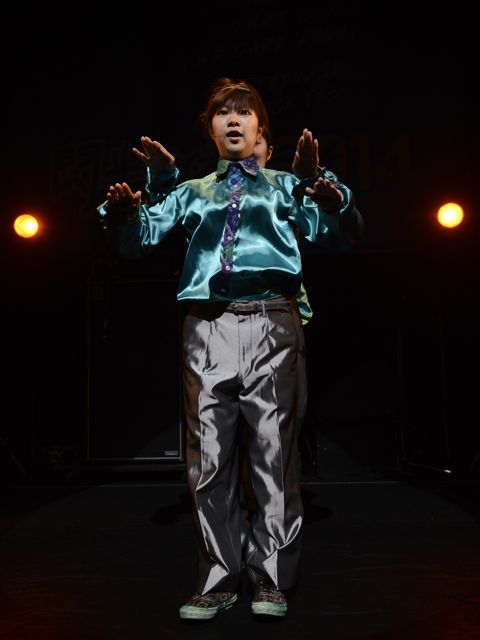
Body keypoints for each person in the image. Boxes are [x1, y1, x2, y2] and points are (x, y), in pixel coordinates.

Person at [98, 77, 364, 621]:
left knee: (273, 457)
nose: (235, 119)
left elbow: (339, 233)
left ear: (260, 127)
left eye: (245, 112)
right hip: (207, 326)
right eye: (224, 113)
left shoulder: (286, 186)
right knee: (209, 462)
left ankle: (271, 579)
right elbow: (138, 240)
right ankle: (217, 580)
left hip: (272, 322)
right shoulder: (192, 192)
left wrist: (327, 192)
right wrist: (125, 212)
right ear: (212, 129)